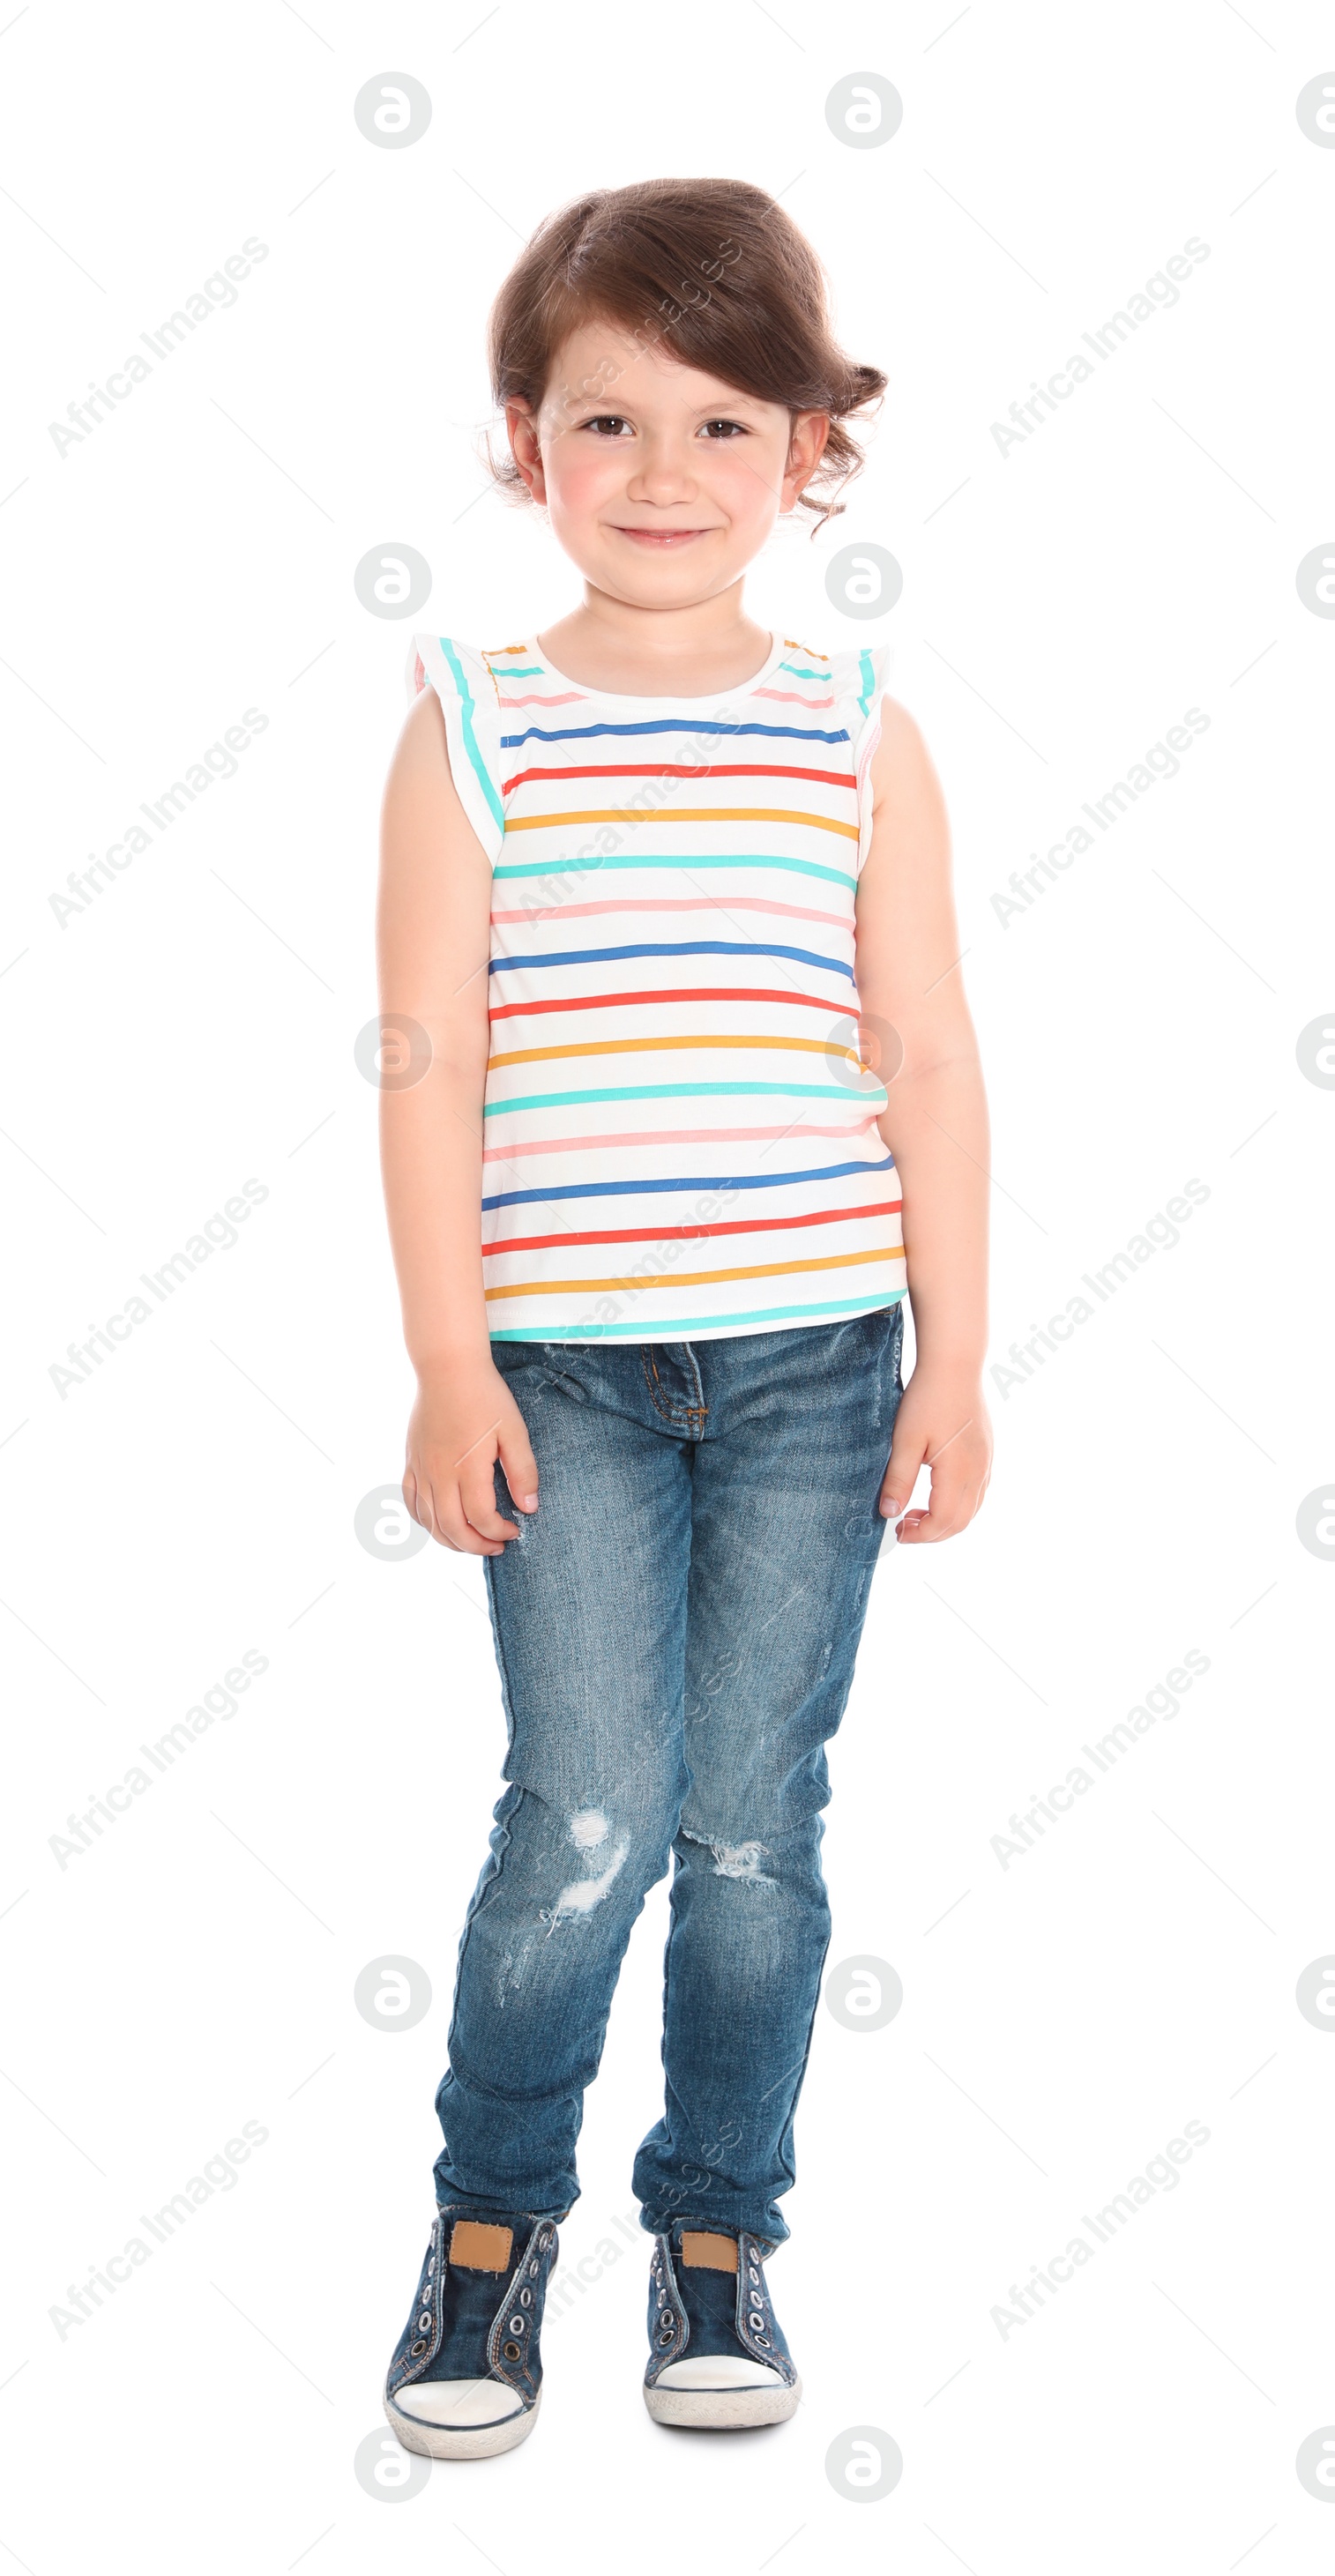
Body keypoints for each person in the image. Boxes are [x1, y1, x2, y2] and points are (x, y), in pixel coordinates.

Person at [375, 176, 991, 2458]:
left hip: (821, 1360)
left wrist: (953, 1348)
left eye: (725, 425)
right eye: (606, 420)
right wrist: (451, 1358)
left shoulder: (849, 725)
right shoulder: (473, 717)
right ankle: (486, 2220)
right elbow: (424, 1052)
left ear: (811, 448)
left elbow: (927, 1055)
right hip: (567, 1373)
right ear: (524, 436)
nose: (661, 478)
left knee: (753, 1819)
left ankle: (716, 2224)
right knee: (582, 1812)